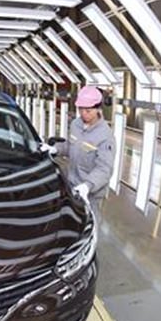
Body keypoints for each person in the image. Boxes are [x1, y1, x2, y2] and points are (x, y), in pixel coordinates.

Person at [55, 86, 116, 220]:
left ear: (98, 109)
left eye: (88, 110)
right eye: (80, 109)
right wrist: (56, 149)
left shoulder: (105, 136)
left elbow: (104, 169)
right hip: (72, 185)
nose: (83, 114)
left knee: (89, 223)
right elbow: (71, 146)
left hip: (90, 193)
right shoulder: (76, 124)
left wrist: (87, 186)